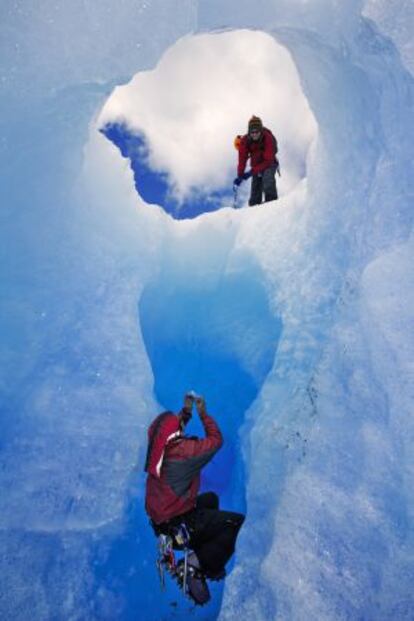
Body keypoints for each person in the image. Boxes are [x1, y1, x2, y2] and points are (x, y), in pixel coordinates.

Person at [144, 392, 245, 604]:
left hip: (164, 525)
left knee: (211, 499)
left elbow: (172, 429)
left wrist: (187, 411)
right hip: (179, 526)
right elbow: (216, 441)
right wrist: (203, 413)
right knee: (235, 524)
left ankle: (208, 557)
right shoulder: (183, 453)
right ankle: (195, 565)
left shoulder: (158, 450)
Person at [234, 115, 279, 206]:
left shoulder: (268, 138)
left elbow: (268, 161)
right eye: (252, 132)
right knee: (255, 191)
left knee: (267, 180)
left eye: (257, 132)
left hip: (269, 163)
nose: (254, 134)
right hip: (256, 165)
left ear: (261, 131)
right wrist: (240, 175)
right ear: (249, 132)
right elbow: (242, 158)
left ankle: (272, 204)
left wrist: (251, 172)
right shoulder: (245, 141)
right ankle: (253, 209)